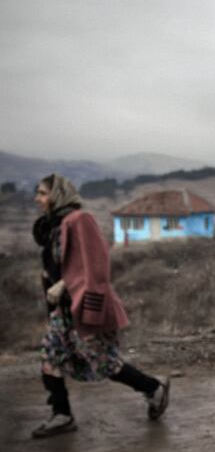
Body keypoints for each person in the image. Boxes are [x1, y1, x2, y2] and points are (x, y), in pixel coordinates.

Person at [31, 173, 170, 438]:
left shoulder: (80, 220)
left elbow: (97, 264)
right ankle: (62, 414)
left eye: (42, 193)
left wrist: (64, 285)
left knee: (104, 362)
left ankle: (153, 388)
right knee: (50, 356)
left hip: (83, 305)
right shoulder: (53, 227)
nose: (37, 199)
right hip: (63, 311)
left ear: (59, 194)